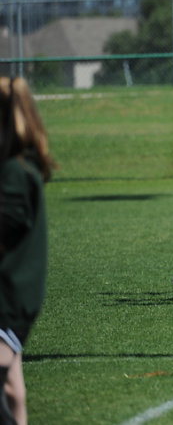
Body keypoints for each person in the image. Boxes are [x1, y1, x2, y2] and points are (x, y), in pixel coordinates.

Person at [0, 76, 55, 425]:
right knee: (13, 391)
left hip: (8, 299)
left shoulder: (13, 173)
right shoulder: (16, 167)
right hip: (14, 297)